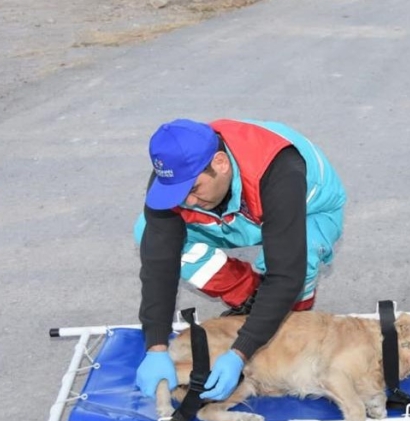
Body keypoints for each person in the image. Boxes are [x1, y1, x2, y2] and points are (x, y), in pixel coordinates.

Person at [133, 118, 346, 401]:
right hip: (237, 214)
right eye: (178, 194)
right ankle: (249, 296)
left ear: (220, 163)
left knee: (296, 258)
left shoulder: (279, 169)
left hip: (304, 210)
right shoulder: (176, 176)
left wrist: (239, 352)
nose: (188, 202)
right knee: (148, 232)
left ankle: (293, 319)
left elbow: (286, 274)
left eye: (194, 189)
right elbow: (159, 263)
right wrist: (156, 346)